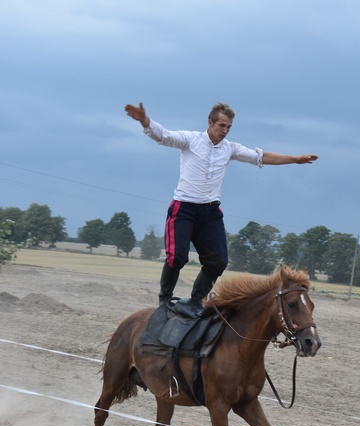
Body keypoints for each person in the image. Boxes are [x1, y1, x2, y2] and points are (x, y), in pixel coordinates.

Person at [125, 101, 318, 317]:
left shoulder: (230, 149)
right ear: (210, 122)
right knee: (177, 257)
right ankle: (164, 301)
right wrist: (144, 120)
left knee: (218, 262)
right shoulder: (190, 140)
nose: (225, 131)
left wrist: (295, 159)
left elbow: (261, 157)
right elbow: (163, 136)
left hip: (210, 212)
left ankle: (196, 300)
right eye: (222, 126)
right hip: (184, 209)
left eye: (228, 127)